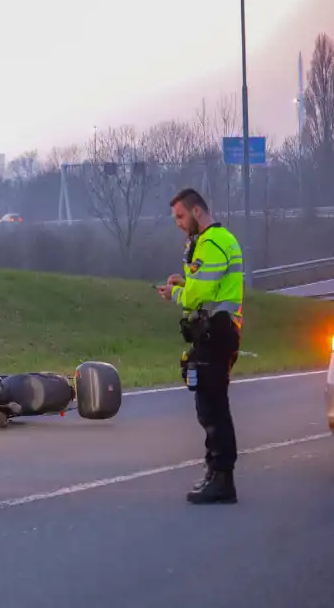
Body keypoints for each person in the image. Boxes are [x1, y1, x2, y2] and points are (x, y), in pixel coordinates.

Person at [157, 187, 243, 504]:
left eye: (180, 216)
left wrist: (176, 293)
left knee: (213, 408)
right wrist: (184, 283)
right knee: (208, 405)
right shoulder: (210, 242)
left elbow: (198, 295)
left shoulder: (213, 242)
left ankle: (222, 479)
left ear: (196, 212)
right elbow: (203, 286)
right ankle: (215, 474)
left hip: (216, 331)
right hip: (211, 332)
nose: (178, 223)